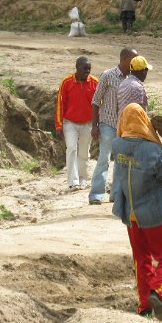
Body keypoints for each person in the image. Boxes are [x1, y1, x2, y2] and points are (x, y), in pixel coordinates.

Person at [111, 103, 162, 321]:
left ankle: (144, 306)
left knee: (141, 259)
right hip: (155, 213)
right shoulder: (153, 149)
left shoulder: (117, 145)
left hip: (130, 213)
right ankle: (158, 291)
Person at [88, 48, 138, 205]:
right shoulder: (108, 75)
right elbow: (96, 101)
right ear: (123, 59)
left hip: (124, 126)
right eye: (133, 59)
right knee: (104, 158)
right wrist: (94, 126)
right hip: (108, 124)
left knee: (120, 161)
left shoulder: (133, 78)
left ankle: (115, 195)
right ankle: (96, 194)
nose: (135, 63)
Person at [55, 57, 98, 191]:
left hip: (88, 123)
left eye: (89, 69)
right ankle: (73, 182)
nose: (87, 71)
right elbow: (60, 104)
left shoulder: (95, 82)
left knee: (84, 153)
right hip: (70, 123)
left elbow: (99, 106)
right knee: (72, 149)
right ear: (77, 67)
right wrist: (58, 125)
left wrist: (97, 125)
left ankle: (83, 179)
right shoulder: (66, 82)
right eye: (85, 69)